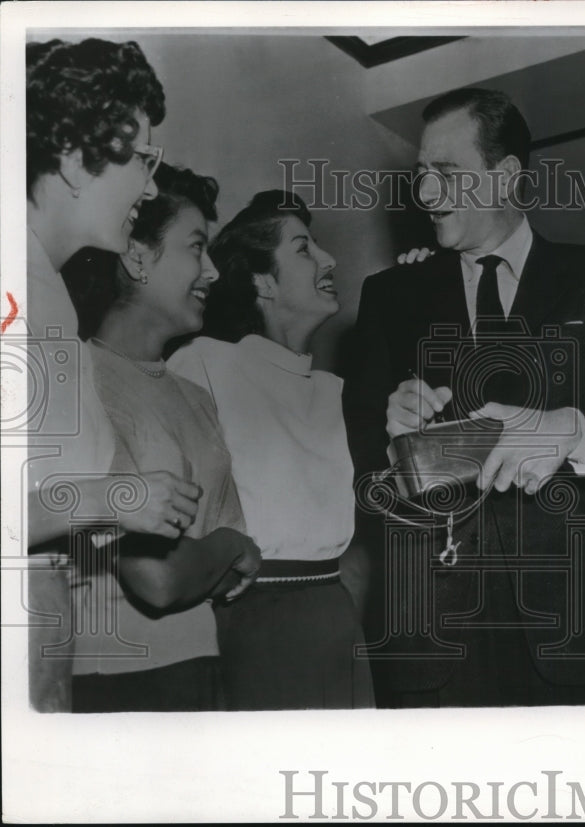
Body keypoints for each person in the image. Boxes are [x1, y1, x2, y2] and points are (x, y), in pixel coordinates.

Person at [343, 87, 585, 707]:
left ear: (505, 176)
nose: (427, 195)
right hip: (434, 633)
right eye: (421, 176)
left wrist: (567, 429)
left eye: (447, 173)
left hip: (576, 628)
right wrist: (393, 445)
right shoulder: (390, 297)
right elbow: (365, 467)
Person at [23, 37, 205, 711]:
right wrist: (111, 501)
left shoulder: (48, 288)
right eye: (143, 159)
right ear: (74, 160)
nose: (152, 186)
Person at [63, 163, 261, 711]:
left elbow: (228, 580)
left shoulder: (194, 395)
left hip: (201, 667)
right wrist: (230, 546)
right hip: (119, 681)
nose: (214, 272)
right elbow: (160, 580)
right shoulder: (82, 378)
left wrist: (223, 553)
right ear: (138, 256)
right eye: (197, 247)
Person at [167, 191, 374, 710]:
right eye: (304, 249)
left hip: (335, 618)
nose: (330, 261)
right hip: (254, 620)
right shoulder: (204, 364)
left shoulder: (334, 391)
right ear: (262, 279)